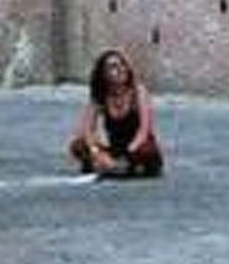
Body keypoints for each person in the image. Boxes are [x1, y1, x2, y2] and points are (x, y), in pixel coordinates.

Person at [67, 48, 164, 178]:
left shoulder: (138, 91)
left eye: (123, 64)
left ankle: (122, 167)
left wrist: (124, 157)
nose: (120, 69)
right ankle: (110, 166)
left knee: (146, 150)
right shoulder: (100, 95)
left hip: (136, 148)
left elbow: (144, 130)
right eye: (113, 67)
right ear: (104, 74)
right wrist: (97, 152)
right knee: (78, 145)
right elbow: (87, 130)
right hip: (115, 149)